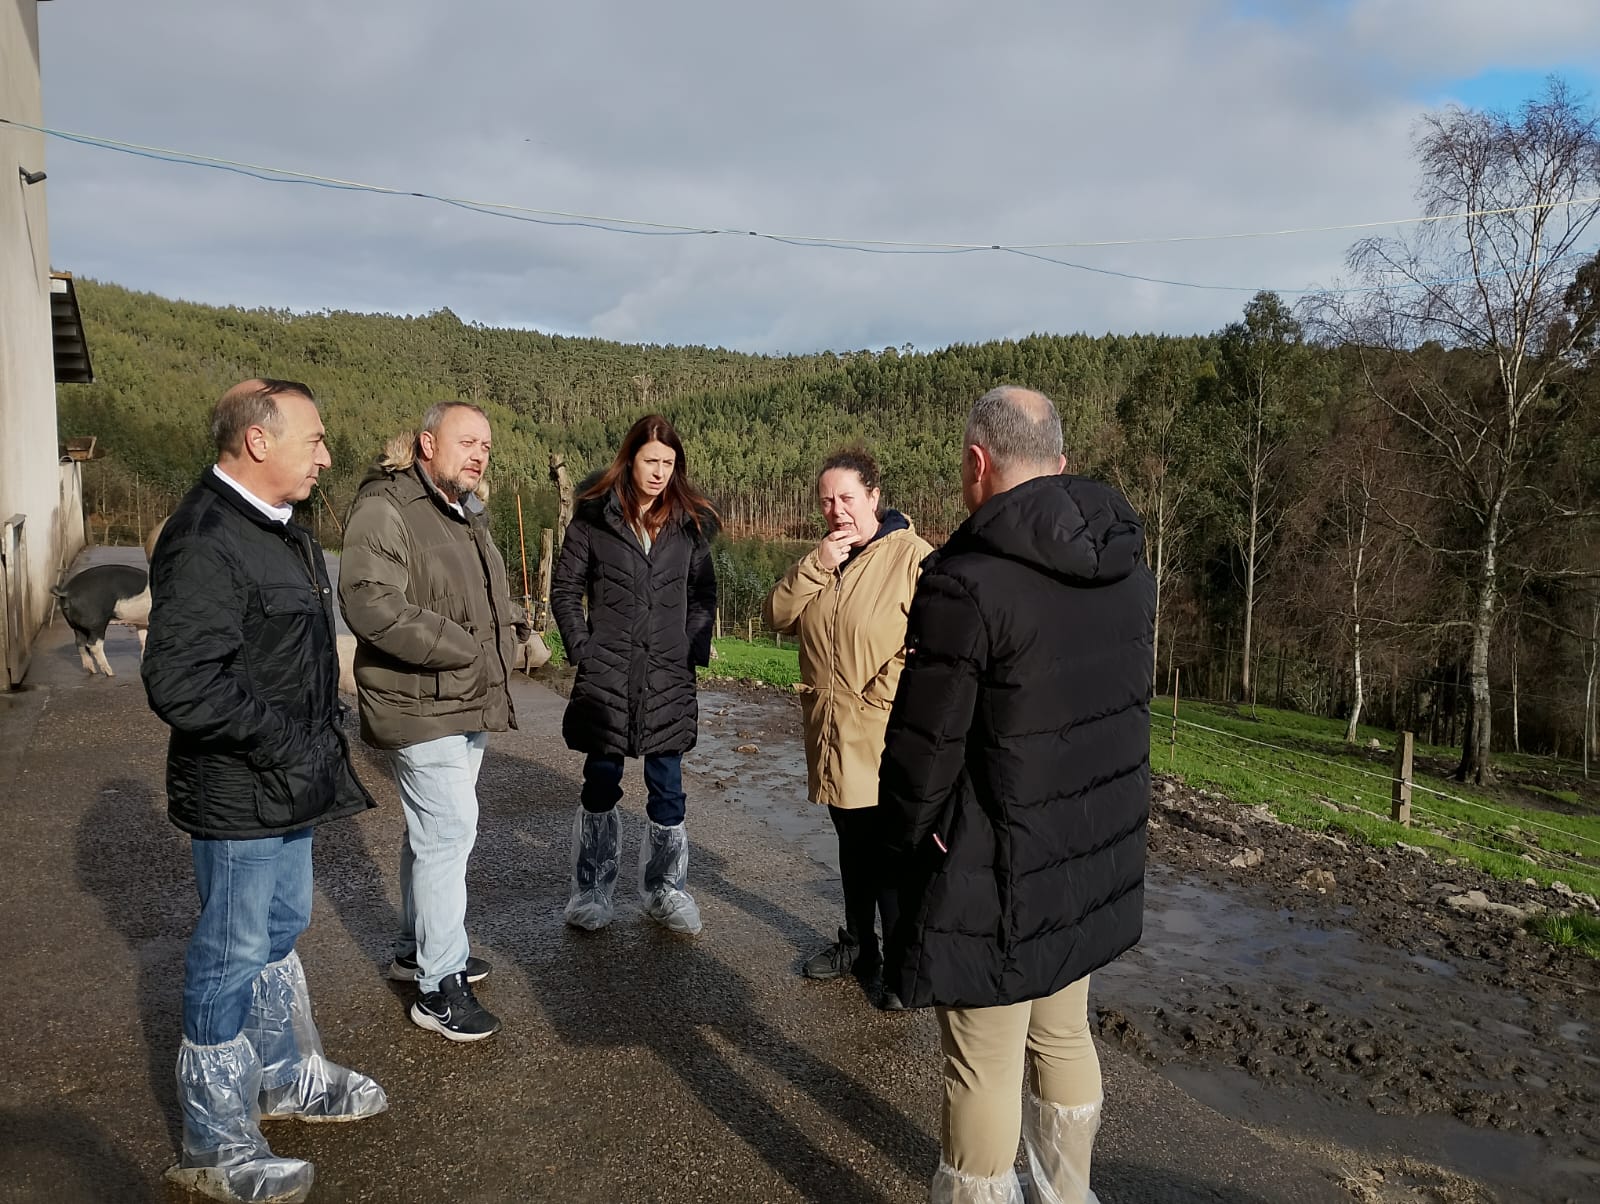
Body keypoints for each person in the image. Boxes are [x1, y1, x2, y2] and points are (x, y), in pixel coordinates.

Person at [879, 386, 1153, 1204]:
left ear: (976, 464)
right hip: (1085, 853)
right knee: (1063, 1032)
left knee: (982, 1060)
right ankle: (1071, 1196)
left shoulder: (968, 583)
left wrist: (906, 841)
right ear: (1060, 464)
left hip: (990, 861)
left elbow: (925, 753)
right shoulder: (1129, 572)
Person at [143, 378, 387, 1204]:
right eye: (313, 439)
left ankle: (284, 1077)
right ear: (257, 441)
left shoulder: (281, 529)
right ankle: (213, 1141)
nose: (326, 454)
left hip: (289, 782)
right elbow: (180, 682)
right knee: (232, 950)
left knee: (281, 927)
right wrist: (287, 741)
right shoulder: (208, 536)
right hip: (243, 788)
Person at [339, 402, 524, 1042]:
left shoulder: (464, 511)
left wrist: (514, 630)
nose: (479, 454)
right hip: (420, 701)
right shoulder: (386, 506)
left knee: (433, 834)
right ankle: (438, 988)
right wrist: (462, 647)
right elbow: (369, 602)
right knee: (450, 832)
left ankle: (413, 950)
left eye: (487, 446)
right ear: (425, 442)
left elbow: (482, 596)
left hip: (461, 697)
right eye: (466, 441)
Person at [763, 449, 931, 1010]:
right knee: (851, 846)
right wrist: (816, 564)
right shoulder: (823, 560)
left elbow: (927, 647)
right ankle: (861, 947)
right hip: (829, 733)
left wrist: (876, 698)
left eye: (847, 499)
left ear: (874, 497)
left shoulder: (912, 558)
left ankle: (901, 965)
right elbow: (777, 615)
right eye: (827, 501)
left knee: (887, 853)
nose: (836, 510)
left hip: (882, 737)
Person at [552, 414, 718, 936]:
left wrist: (690, 648)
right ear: (631, 459)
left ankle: (665, 890)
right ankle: (593, 890)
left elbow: (703, 595)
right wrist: (584, 648)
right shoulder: (594, 520)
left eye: (669, 464)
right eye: (651, 461)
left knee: (667, 787)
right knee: (601, 781)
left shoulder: (689, 524)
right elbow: (564, 590)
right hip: (608, 677)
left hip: (668, 675)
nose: (660, 472)